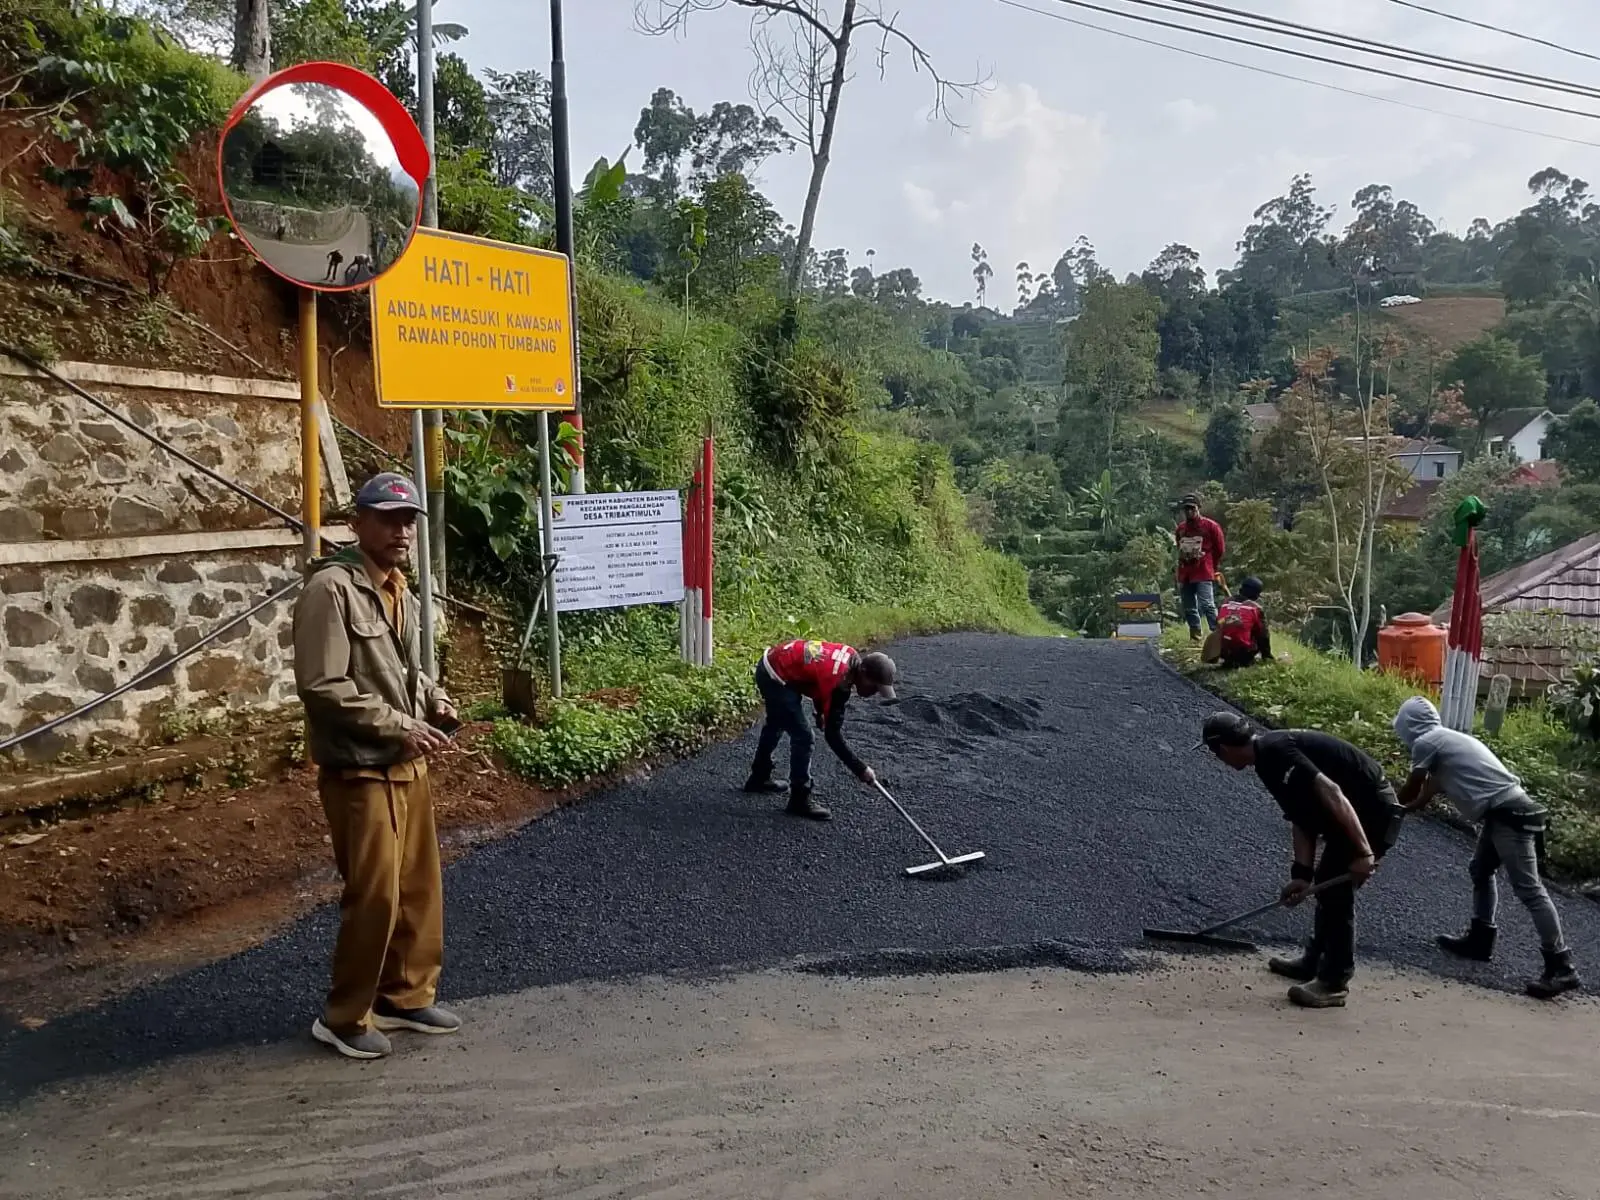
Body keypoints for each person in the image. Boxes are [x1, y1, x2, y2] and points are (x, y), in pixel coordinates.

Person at [293, 472, 461, 1060]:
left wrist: (433, 699)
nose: (400, 530)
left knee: (419, 889)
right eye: (387, 518)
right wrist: (399, 724)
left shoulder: (400, 591)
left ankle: (405, 996)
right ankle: (343, 1016)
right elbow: (323, 686)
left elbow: (408, 671)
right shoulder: (330, 590)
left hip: (407, 762)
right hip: (361, 769)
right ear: (356, 522)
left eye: (408, 519)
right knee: (375, 897)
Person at [1199, 712, 1405, 1009]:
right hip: (1354, 810)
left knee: (1335, 892)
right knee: (1323, 885)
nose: (1218, 759)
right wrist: (1302, 874)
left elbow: (1331, 791)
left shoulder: (1276, 751)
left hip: (1372, 809)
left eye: (1215, 753)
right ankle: (1314, 962)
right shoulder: (1265, 760)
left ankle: (1334, 982)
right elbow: (1301, 818)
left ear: (1224, 749)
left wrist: (1363, 853)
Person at [1393, 696, 1581, 1000]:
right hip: (1503, 811)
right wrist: (1403, 810)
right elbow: (1423, 796)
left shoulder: (1427, 742)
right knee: (1480, 869)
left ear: (1407, 725)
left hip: (1510, 814)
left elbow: (1411, 787)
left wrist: (1386, 808)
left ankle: (1561, 965)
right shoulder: (1445, 742)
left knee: (1530, 890)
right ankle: (1480, 939)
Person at [743, 639, 898, 821]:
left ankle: (758, 777)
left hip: (775, 663)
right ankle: (799, 798)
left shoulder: (851, 657)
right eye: (874, 687)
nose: (874, 693)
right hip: (774, 675)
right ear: (863, 672)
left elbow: (817, 677)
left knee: (778, 721)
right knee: (803, 736)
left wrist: (820, 711)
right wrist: (860, 769)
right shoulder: (839, 680)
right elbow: (833, 737)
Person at [1175, 494, 1225, 641]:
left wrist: (1211, 565)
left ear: (1198, 508)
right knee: (1189, 606)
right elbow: (1179, 547)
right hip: (1186, 572)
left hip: (1204, 570)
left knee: (1207, 604)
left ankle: (1217, 634)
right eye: (1186, 509)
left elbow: (1220, 549)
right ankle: (1195, 635)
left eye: (1192, 508)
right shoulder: (1181, 529)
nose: (1189, 512)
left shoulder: (1211, 526)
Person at [1213, 576, 1275, 668]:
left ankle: (1229, 659)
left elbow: (1218, 624)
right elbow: (1263, 636)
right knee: (1258, 630)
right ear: (1256, 594)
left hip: (1221, 651)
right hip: (1244, 654)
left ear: (1241, 589)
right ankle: (1246, 660)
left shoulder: (1225, 603)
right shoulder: (1255, 608)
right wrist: (1267, 656)